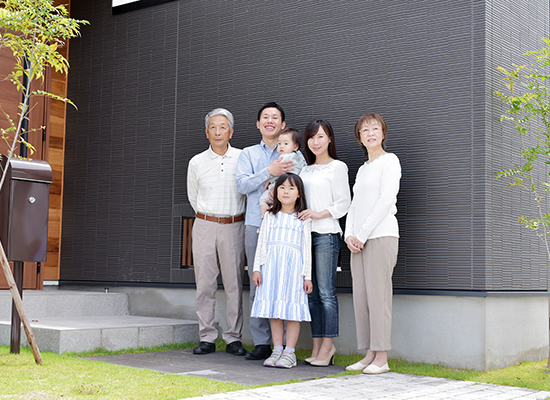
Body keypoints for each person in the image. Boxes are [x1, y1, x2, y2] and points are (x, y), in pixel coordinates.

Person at [236, 102, 295, 360]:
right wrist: (268, 172)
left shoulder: (291, 154)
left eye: (275, 118)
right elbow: (241, 185)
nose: (270, 121)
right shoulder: (248, 154)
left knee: (285, 282)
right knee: (258, 281)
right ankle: (261, 342)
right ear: (258, 124)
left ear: (283, 125)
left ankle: (282, 345)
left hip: (286, 228)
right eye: (265, 117)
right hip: (256, 225)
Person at [187, 108, 247, 356]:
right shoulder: (196, 162)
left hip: (234, 225)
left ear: (231, 131)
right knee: (205, 284)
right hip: (204, 224)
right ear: (206, 132)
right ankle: (207, 337)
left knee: (234, 282)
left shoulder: (243, 158)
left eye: (223, 126)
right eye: (213, 126)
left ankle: (233, 337)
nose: (218, 131)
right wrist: (209, 217)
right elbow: (193, 196)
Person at [344, 113, 401, 374]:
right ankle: (368, 354)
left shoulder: (390, 161)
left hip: (380, 236)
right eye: (364, 130)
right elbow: (355, 205)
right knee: (362, 298)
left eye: (375, 129)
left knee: (379, 298)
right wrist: (349, 235)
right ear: (359, 137)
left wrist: (362, 234)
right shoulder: (363, 168)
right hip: (359, 241)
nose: (370, 133)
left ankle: (382, 358)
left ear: (383, 133)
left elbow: (386, 200)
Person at [298, 120, 351, 367]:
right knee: (312, 295)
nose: (316, 142)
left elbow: (344, 203)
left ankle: (329, 346)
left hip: (327, 235)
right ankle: (317, 345)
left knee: (327, 293)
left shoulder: (337, 167)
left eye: (321, 137)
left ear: (330, 139)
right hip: (305, 237)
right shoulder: (305, 170)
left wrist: (318, 214)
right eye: (311, 137)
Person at [251, 173, 312, 368]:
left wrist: (307, 276)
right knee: (275, 310)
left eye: (291, 188)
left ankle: (289, 353)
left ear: (299, 194)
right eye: (282, 187)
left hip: (294, 271)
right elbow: (261, 244)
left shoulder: (303, 219)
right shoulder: (269, 216)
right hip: (271, 268)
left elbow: (307, 248)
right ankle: (277, 349)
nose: (286, 191)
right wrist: (256, 269)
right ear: (275, 191)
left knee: (292, 311)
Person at [259, 127, 306, 215]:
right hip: (292, 188)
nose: (281, 146)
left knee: (263, 199)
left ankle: (264, 217)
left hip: (281, 185)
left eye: (285, 143)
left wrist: (269, 179)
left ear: (295, 146)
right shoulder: (300, 158)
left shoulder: (285, 158)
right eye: (279, 143)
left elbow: (276, 172)